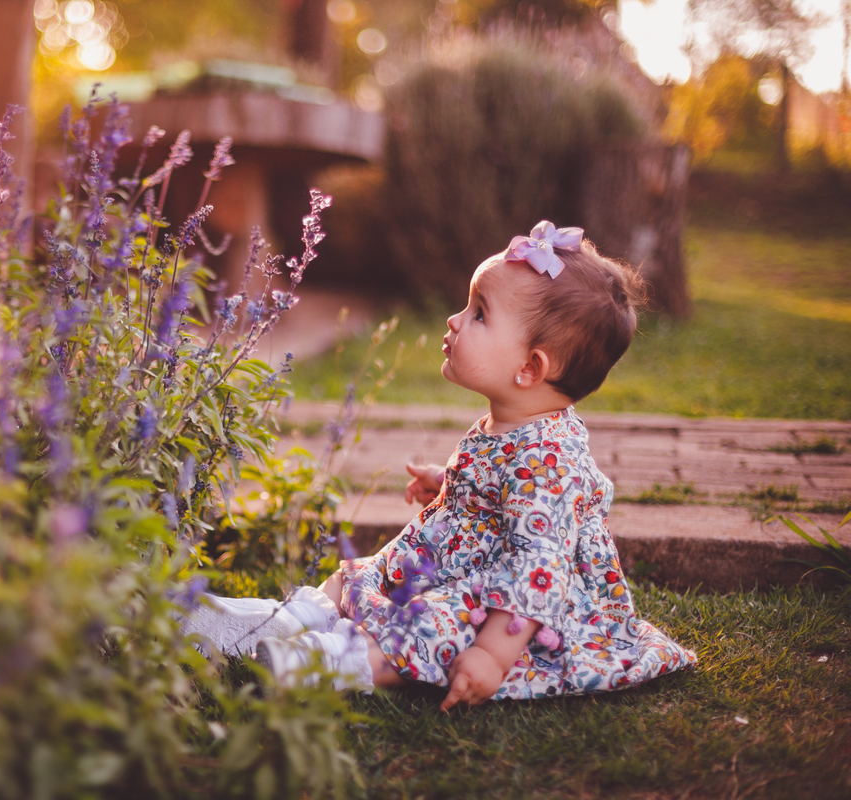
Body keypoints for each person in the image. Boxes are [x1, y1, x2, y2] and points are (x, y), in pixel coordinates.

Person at [180, 222, 696, 708]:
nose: (454, 319)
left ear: (530, 368)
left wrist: (492, 655)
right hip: (462, 563)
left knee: (437, 626)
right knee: (372, 573)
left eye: (478, 313)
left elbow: (537, 574)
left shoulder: (551, 461)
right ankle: (286, 618)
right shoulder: (514, 419)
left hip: (508, 607)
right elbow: (497, 493)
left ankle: (333, 660)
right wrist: (450, 486)